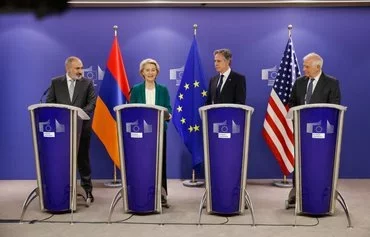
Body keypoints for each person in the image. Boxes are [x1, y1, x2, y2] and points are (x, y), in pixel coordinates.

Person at [287, 52, 341, 205]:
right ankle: (297, 192)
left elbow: (334, 107)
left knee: (321, 161)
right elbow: (292, 102)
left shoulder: (332, 83)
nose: (304, 69)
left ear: (318, 67)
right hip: (301, 131)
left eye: (307, 66)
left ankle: (324, 191)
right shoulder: (299, 83)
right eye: (304, 66)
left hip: (323, 133)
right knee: (301, 160)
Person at [46, 56, 96, 204]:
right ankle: (62, 191)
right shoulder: (56, 83)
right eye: (77, 68)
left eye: (81, 68)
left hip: (82, 128)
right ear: (68, 69)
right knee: (62, 161)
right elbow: (50, 102)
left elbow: (92, 103)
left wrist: (76, 115)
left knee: (83, 160)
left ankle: (87, 191)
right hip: (61, 131)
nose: (81, 71)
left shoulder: (87, 83)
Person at [129, 58, 172, 208]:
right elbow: (131, 110)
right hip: (140, 135)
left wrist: (168, 116)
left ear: (157, 72)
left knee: (160, 163)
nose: (150, 73)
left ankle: (162, 195)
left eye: (153, 70)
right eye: (147, 70)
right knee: (142, 163)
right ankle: (140, 192)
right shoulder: (136, 89)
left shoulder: (163, 90)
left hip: (159, 132)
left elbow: (168, 108)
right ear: (142, 72)